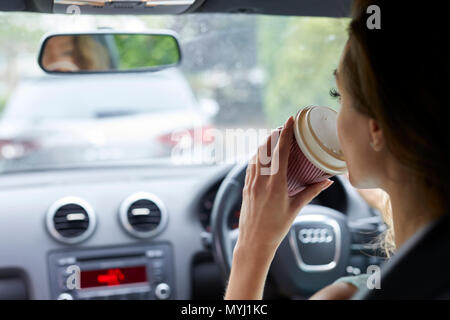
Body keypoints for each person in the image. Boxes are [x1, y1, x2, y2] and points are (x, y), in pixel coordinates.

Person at [225, 0, 450, 300]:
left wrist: (252, 245)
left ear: (377, 127)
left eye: (340, 96)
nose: (336, 118)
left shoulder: (343, 295)